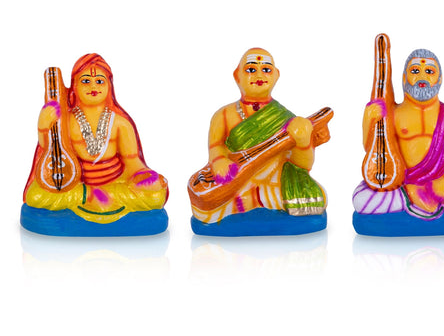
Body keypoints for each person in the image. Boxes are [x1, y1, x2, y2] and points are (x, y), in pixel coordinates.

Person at [189, 48, 331, 232]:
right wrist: (219, 161)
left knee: (318, 198)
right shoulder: (223, 115)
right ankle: (250, 201)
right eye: (250, 69)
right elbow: (215, 146)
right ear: (237, 76)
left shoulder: (287, 118)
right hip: (235, 182)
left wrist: (304, 142)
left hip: (273, 183)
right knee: (203, 210)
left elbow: (303, 166)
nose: (259, 75)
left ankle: (251, 202)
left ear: (276, 75)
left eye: (266, 70)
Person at [23, 54, 168, 227]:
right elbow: (51, 152)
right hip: (78, 188)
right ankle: (92, 196)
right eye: (85, 81)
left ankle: (94, 197)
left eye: (99, 81)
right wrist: (43, 126)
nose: (93, 86)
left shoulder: (120, 123)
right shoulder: (66, 121)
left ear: (109, 86)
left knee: (156, 196)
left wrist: (144, 177)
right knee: (36, 196)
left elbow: (133, 162)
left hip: (114, 185)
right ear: (74, 86)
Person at [354, 49, 444, 219]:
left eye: (429, 71)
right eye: (415, 71)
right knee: (361, 200)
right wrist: (369, 120)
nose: (422, 76)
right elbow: (374, 152)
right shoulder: (394, 114)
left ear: (439, 79)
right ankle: (410, 198)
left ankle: (416, 202)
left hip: (442, 184)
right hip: (403, 184)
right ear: (404, 78)